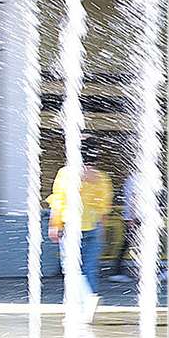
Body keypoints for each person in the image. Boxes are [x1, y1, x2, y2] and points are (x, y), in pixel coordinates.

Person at [47, 135, 113, 324]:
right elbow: (104, 208)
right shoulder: (102, 178)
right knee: (89, 268)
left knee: (71, 268)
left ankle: (87, 298)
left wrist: (54, 224)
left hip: (72, 227)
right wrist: (101, 228)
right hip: (94, 226)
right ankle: (82, 308)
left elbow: (58, 201)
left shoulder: (66, 173)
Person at [108, 171, 139, 283]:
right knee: (127, 244)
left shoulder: (131, 180)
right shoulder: (137, 179)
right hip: (136, 218)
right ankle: (117, 271)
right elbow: (134, 199)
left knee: (127, 244)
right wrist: (133, 218)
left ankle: (117, 271)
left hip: (132, 218)